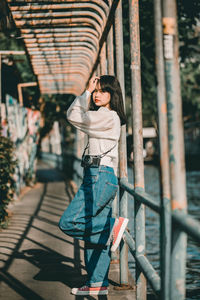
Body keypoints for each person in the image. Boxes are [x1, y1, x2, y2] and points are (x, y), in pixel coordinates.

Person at [59, 75, 129, 296]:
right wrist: (88, 92)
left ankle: (111, 228)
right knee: (93, 239)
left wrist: (86, 93)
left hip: (100, 175)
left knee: (70, 222)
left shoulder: (107, 117)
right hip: (97, 175)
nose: (97, 94)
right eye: (95, 90)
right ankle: (97, 283)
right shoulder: (103, 116)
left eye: (101, 90)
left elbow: (74, 116)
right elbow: (78, 117)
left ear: (112, 94)